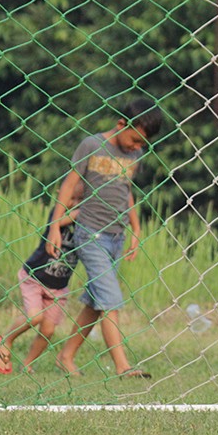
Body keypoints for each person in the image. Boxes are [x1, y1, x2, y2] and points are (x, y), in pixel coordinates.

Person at [46, 97, 163, 379]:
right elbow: (70, 183)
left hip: (116, 237)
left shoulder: (134, 154)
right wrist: (54, 227)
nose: (137, 147)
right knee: (110, 300)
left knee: (95, 302)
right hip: (90, 234)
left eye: (141, 144)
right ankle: (123, 367)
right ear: (121, 123)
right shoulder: (92, 145)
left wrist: (136, 229)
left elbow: (127, 192)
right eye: (134, 139)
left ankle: (66, 356)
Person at [0, 184, 83, 374]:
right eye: (70, 199)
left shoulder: (86, 224)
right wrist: (81, 212)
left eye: (79, 201)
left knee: (48, 330)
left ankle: (27, 363)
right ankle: (6, 339)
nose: (74, 204)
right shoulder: (56, 217)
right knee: (35, 317)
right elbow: (62, 220)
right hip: (35, 277)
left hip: (58, 286)